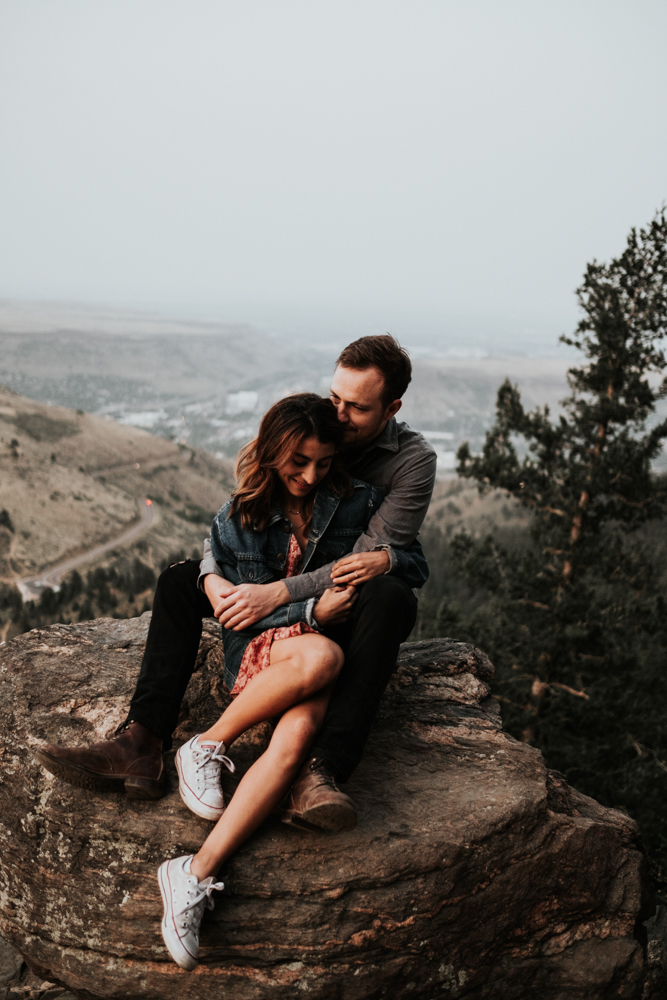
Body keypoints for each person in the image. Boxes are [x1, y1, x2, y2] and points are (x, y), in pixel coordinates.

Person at [36, 334, 437, 830]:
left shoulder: (410, 463)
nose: (338, 414)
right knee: (180, 579)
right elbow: (234, 522)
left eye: (355, 407)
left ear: (391, 407)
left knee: (388, 594)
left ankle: (324, 767)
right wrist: (210, 578)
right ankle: (141, 741)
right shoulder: (311, 429)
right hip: (279, 582)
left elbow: (372, 565)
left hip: (341, 601)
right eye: (335, 397)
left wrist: (285, 595)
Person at [159, 393, 426, 969]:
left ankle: (195, 871)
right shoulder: (240, 517)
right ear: (273, 452)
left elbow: (415, 563)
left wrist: (384, 561)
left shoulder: (357, 502)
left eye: (323, 462)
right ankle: (207, 743)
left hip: (317, 647)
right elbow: (241, 615)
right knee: (323, 658)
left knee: (293, 749)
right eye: (297, 462)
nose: (310, 475)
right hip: (265, 654)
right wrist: (309, 614)